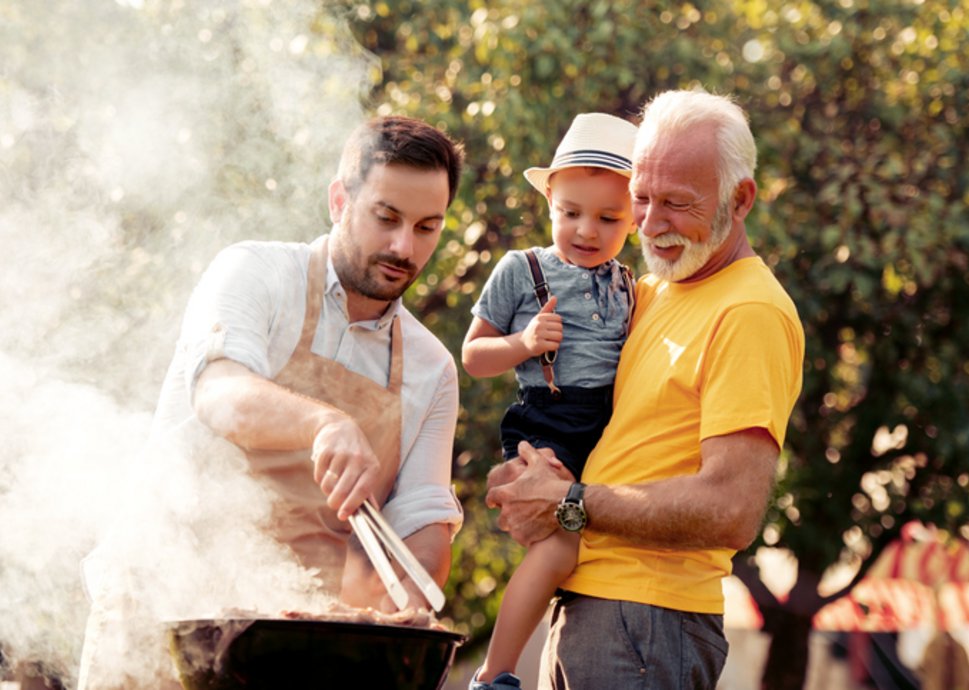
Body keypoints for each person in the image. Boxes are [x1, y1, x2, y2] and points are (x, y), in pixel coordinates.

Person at [77, 115, 465, 689]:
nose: (404, 247)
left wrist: (405, 603)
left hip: (293, 645)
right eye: (386, 218)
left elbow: (423, 524)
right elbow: (219, 392)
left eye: (427, 227)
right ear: (340, 200)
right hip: (161, 606)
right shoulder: (254, 272)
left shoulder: (433, 371)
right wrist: (324, 423)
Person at [486, 89, 805, 689]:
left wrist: (570, 502)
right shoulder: (649, 291)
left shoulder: (750, 312)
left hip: (649, 622)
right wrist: (528, 478)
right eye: (640, 198)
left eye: (678, 204)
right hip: (597, 608)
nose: (651, 225)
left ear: (741, 201)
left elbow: (732, 509)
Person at [461, 113, 638, 690]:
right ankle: (495, 674)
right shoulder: (522, 269)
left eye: (608, 218)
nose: (586, 230)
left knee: (592, 539)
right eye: (571, 213)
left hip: (605, 429)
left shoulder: (628, 283)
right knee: (560, 548)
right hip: (548, 420)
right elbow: (473, 355)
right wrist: (524, 343)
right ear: (550, 205)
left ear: (634, 218)